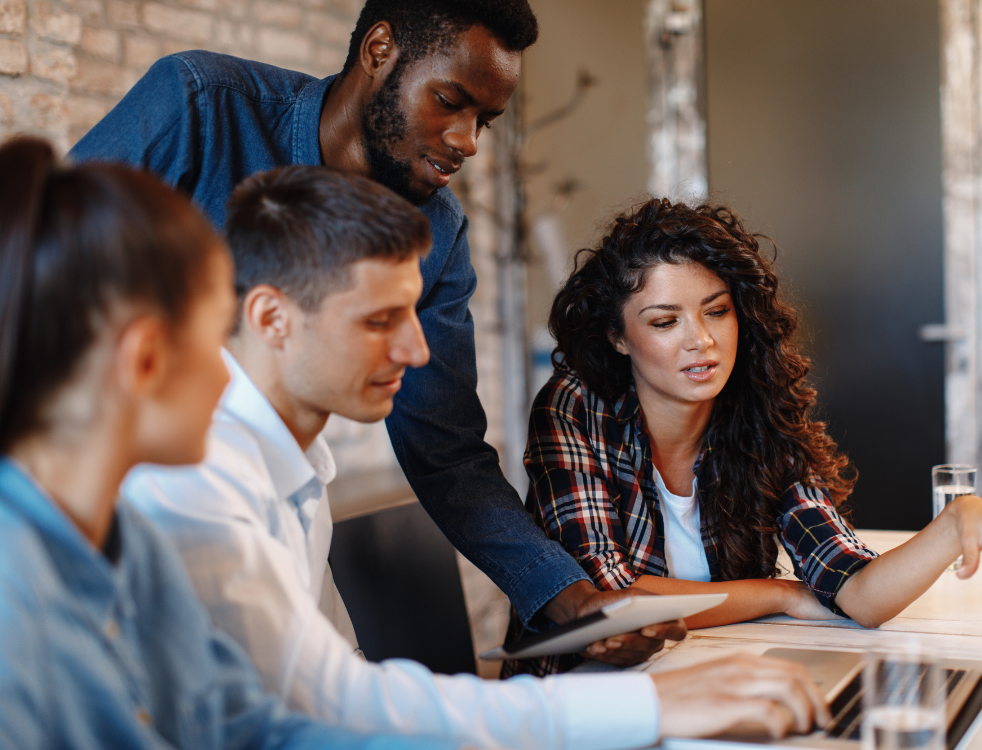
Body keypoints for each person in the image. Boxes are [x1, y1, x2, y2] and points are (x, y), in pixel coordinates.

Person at [123, 165, 831, 749]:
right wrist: (649, 707)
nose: (417, 351)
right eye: (379, 321)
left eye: (413, 312)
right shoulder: (196, 480)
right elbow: (322, 704)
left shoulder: (290, 467)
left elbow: (339, 686)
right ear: (271, 319)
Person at [69, 0, 673, 662]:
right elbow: (35, 283)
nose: (468, 141)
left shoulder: (438, 230)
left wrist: (569, 597)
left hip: (285, 523)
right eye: (450, 101)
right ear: (379, 50)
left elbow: (444, 447)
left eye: (486, 121)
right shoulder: (202, 107)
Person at [0, 137, 457, 750]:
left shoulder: (133, 549)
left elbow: (244, 726)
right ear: (145, 360)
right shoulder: (16, 601)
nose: (228, 372)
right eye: (216, 332)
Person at [504, 198, 982, 677]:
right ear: (618, 336)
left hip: (710, 679)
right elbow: (610, 601)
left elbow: (856, 592)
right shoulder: (576, 406)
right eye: (664, 321)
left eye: (717, 311)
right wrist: (780, 594)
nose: (700, 340)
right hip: (579, 701)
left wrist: (954, 524)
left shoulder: (755, 413)